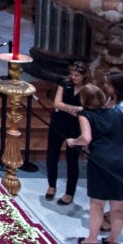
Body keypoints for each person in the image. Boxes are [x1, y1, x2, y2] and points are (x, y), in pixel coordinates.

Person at [69, 83, 123, 244]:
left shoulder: (85, 114)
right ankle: (113, 240)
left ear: (84, 99)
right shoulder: (117, 112)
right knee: (118, 205)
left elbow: (86, 138)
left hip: (101, 161)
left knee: (97, 203)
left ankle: (91, 241)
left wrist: (73, 142)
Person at [45, 61, 89, 205]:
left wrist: (67, 108)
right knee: (52, 155)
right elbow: (57, 104)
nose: (73, 77)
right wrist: (74, 109)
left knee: (72, 161)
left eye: (77, 75)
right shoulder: (65, 84)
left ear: (84, 76)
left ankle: (69, 193)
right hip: (58, 123)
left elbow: (85, 109)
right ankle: (51, 185)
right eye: (72, 74)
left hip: (75, 128)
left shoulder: (88, 90)